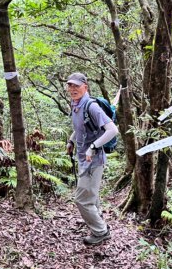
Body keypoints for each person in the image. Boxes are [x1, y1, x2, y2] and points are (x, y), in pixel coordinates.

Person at [65, 72, 119, 245]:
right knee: (91, 196)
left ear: (85, 87)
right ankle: (99, 222)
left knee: (82, 199)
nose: (73, 89)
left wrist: (93, 147)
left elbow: (112, 130)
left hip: (93, 161)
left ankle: (100, 231)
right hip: (84, 159)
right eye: (70, 85)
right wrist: (71, 141)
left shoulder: (91, 106)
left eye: (76, 86)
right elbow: (80, 127)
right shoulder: (76, 105)